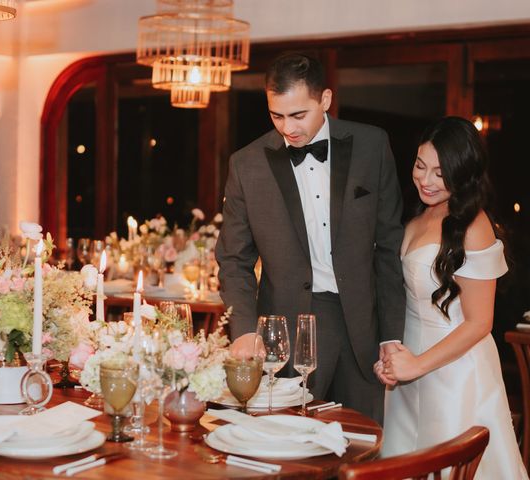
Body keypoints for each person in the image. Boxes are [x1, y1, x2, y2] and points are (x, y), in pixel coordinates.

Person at [215, 53, 406, 423]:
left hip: (361, 326)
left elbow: (389, 247)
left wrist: (390, 334)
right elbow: (233, 259)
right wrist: (243, 331)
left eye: (298, 114)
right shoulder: (246, 164)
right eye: (276, 115)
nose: (288, 128)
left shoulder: (371, 146)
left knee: (361, 444)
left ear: (326, 100)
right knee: (289, 445)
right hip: (284, 330)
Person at [378, 116, 527, 478]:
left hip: (455, 373)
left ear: (463, 172)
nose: (425, 180)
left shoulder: (473, 225)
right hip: (408, 366)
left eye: (440, 172)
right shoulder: (416, 214)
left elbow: (480, 322)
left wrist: (417, 365)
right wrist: (391, 355)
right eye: (419, 165)